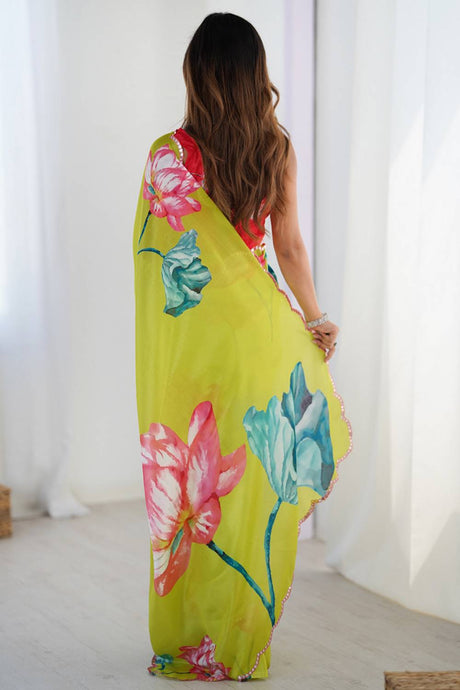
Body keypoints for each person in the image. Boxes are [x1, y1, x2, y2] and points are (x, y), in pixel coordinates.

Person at [132, 12, 352, 682]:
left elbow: (162, 264)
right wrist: (314, 317)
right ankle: (239, 639)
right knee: (247, 490)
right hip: (260, 338)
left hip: (203, 347)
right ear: (257, 75)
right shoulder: (275, 148)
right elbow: (289, 247)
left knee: (195, 487)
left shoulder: (169, 155)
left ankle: (189, 642)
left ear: (196, 74)